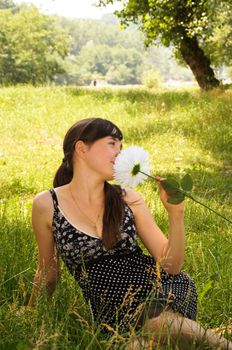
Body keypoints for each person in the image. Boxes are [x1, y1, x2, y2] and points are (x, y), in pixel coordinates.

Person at [28, 118, 231, 349]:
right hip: (111, 315)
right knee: (137, 346)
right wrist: (30, 313)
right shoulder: (47, 204)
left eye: (121, 147)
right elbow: (48, 272)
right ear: (81, 148)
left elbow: (171, 266)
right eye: (112, 143)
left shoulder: (128, 198)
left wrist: (176, 214)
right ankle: (202, 334)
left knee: (158, 324)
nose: (120, 153)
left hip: (160, 289)